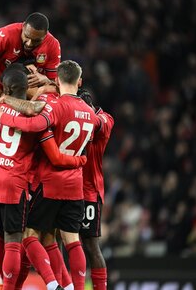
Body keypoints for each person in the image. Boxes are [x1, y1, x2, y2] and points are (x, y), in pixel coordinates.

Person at [0, 60, 101, 290]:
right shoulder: (91, 114)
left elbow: (36, 124)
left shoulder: (56, 106)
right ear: (79, 81)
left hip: (49, 182)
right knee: (71, 240)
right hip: (75, 185)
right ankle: (74, 287)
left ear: (57, 79)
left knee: (29, 234)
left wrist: (3, 117)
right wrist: (80, 160)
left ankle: (52, 285)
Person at [0, 11, 62, 263]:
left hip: (22, 101)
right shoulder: (5, 35)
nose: (29, 44)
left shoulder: (53, 46)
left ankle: (11, 213)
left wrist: (45, 79)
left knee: (18, 158)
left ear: (45, 37)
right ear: (23, 30)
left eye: (35, 41)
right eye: (27, 38)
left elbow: (55, 85)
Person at [77, 89, 114, 290]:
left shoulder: (105, 119)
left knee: (90, 245)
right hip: (67, 188)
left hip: (89, 192)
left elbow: (95, 122)